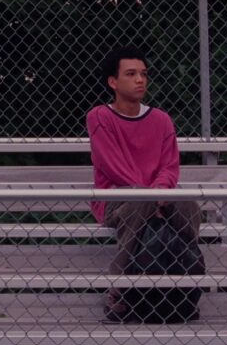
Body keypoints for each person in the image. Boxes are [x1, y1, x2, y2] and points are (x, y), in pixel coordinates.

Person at [86, 46, 201, 319]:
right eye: (131, 74)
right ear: (113, 82)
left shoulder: (161, 120)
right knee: (142, 201)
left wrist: (161, 192)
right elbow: (112, 166)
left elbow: (169, 165)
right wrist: (151, 195)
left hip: (158, 195)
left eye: (143, 74)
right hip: (117, 200)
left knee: (188, 204)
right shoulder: (99, 117)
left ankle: (189, 282)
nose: (140, 79)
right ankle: (118, 288)